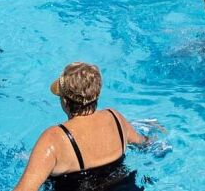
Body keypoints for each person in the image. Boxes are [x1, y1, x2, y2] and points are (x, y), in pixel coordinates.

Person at [14, 61, 148, 191]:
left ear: (65, 101)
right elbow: (144, 143)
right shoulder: (115, 117)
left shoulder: (53, 139)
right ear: (96, 94)